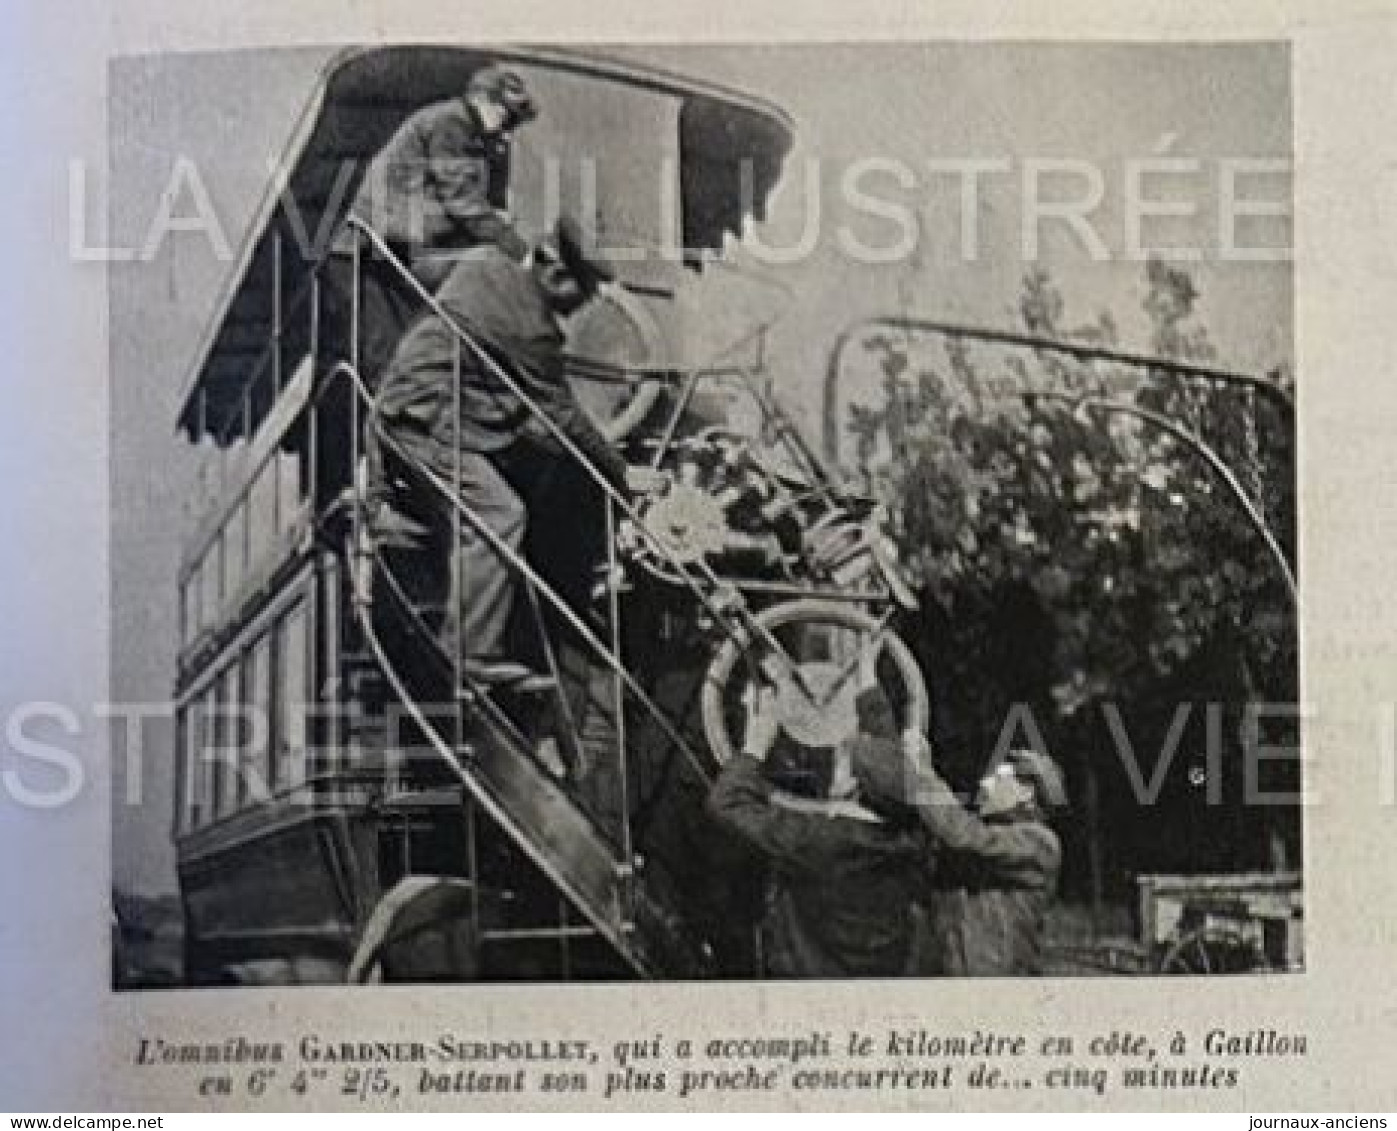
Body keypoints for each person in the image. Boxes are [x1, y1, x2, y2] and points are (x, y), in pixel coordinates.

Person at [369, 215, 631, 691]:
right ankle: (470, 657)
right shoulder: (534, 330)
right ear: (554, 271)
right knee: (501, 514)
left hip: (411, 409)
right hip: (425, 419)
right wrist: (623, 476)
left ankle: (469, 640)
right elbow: (563, 419)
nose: (584, 305)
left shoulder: (483, 264)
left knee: (499, 500)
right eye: (585, 291)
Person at [326, 65, 539, 387]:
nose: (508, 130)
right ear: (483, 101)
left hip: (395, 251)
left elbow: (480, 204)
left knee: (414, 350)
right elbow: (463, 203)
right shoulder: (451, 123)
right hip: (365, 256)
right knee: (387, 360)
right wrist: (519, 251)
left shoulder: (476, 134)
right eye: (507, 117)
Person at [706, 681, 925, 978]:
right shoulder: (912, 839)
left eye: (843, 759)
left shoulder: (816, 843)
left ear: (850, 786)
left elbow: (727, 802)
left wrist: (756, 743)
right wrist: (869, 683)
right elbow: (891, 774)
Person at [852, 724, 1065, 976]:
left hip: (1001, 995)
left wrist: (918, 770)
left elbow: (961, 834)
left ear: (1027, 793)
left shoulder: (1039, 844)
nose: (985, 784)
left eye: (998, 779)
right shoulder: (974, 846)